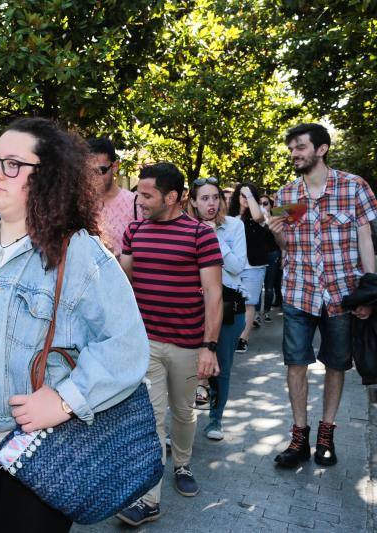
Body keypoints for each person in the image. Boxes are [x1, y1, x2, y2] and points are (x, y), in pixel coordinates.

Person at [0, 118, 149, 532]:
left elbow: (126, 345)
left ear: (48, 177)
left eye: (13, 164)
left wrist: (64, 400)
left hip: (40, 445)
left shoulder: (78, 252)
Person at [117, 162, 223, 527]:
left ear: (172, 196)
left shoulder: (200, 235)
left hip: (189, 344)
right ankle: (149, 500)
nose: (140, 200)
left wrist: (209, 346)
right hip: (146, 343)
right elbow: (123, 280)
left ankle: (182, 464)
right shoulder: (134, 231)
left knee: (183, 413)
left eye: (147, 194)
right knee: (151, 420)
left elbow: (213, 293)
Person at [268, 123, 377, 468]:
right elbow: (286, 247)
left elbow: (365, 241)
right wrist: (277, 234)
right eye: (291, 149)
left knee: (336, 364)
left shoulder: (353, 187)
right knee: (295, 363)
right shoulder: (286, 196)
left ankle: (326, 434)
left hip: (341, 294)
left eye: (300, 147)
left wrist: (369, 293)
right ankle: (299, 435)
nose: (294, 154)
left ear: (322, 148)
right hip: (298, 292)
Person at [187, 178, 248, 440]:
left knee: (220, 366)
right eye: (204, 198)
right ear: (193, 202)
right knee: (187, 369)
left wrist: (211, 236)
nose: (211, 203)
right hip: (192, 306)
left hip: (227, 305)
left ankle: (215, 420)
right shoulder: (186, 227)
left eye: (215, 198)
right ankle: (183, 423)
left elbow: (236, 267)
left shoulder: (234, 226)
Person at [229, 183, 267, 353]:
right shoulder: (230, 217)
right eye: (243, 195)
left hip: (254, 266)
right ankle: (232, 335)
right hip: (233, 266)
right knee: (234, 302)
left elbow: (259, 217)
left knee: (249, 303)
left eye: (249, 195)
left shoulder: (260, 214)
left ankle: (243, 338)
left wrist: (250, 196)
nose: (245, 199)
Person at [88, 136, 137, 257]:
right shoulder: (79, 204)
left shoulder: (135, 204)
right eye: (87, 171)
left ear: (115, 167)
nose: (93, 177)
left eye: (100, 171)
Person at [259, 195, 282, 322]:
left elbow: (282, 240)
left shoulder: (276, 219)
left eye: (265, 203)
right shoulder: (256, 218)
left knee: (269, 286)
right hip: (258, 256)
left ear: (271, 205)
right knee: (257, 286)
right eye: (260, 203)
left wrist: (283, 256)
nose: (263, 206)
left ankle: (266, 312)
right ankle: (256, 314)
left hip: (273, 254)